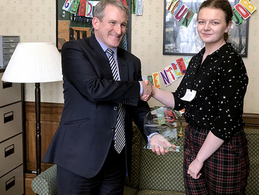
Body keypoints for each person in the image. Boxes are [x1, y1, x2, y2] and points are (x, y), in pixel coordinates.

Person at [43, 0, 172, 194]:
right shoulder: (74, 50)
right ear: (96, 23)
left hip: (116, 159)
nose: (118, 30)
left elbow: (139, 105)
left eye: (122, 24)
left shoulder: (132, 61)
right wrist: (139, 86)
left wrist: (152, 134)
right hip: (79, 157)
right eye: (112, 23)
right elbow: (93, 88)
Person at [143, 0, 250, 194]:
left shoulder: (231, 62)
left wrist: (199, 159)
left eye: (214, 22)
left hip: (221, 145)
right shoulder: (196, 59)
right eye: (201, 22)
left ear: (228, 26)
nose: (206, 27)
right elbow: (181, 100)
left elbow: (226, 121)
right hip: (194, 138)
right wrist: (152, 90)